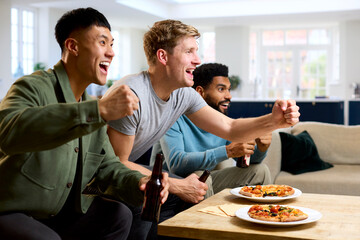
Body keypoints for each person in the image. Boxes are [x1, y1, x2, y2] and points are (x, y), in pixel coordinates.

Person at [105, 19, 300, 239]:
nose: (197, 60)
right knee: (152, 196)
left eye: (196, 52)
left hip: (139, 173)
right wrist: (178, 185)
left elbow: (231, 127)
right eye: (189, 51)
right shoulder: (132, 94)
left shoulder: (183, 94)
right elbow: (116, 164)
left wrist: (275, 121)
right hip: (102, 178)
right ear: (163, 57)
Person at [0, 8, 168, 240]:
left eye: (112, 44)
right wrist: (96, 110)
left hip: (63, 214)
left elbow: (107, 167)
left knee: (119, 214)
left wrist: (140, 182)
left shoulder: (93, 106)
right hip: (13, 211)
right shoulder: (32, 86)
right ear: (73, 46)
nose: (111, 53)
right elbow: (7, 132)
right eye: (102, 42)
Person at [151, 63, 272, 198]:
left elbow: (242, 158)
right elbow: (176, 164)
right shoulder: (173, 118)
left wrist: (261, 148)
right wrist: (228, 151)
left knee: (261, 171)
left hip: (205, 182)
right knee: (201, 177)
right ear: (200, 93)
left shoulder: (221, 122)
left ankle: (264, 215)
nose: (229, 96)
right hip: (172, 186)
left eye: (229, 90)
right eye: (221, 89)